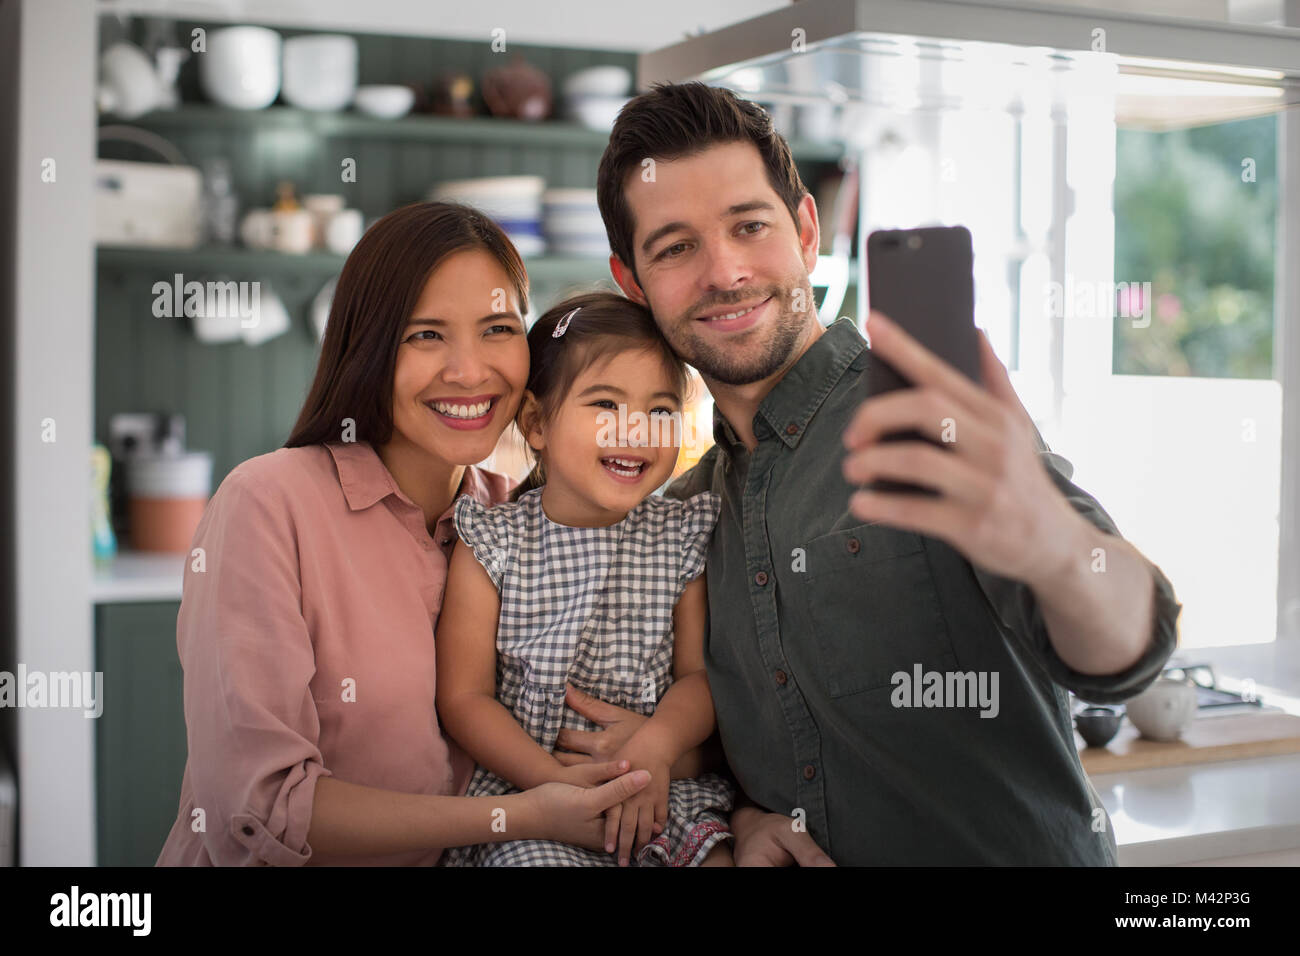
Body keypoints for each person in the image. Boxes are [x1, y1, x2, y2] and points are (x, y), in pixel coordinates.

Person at [593, 82, 1185, 865]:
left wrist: (1054, 541)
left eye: (750, 225)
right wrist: (742, 817)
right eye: (675, 248)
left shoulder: (931, 417)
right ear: (632, 282)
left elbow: (1129, 651)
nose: (725, 271)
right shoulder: (682, 514)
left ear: (806, 231)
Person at [156, 203, 653, 866]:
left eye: (497, 329)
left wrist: (660, 748)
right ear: (370, 346)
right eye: (426, 335)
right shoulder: (268, 504)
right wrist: (519, 816)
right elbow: (260, 808)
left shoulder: (523, 523)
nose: (469, 371)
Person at [436, 292, 735, 867]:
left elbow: (698, 679)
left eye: (661, 411)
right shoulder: (491, 544)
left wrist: (659, 745)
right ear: (536, 422)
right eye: (605, 403)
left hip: (658, 793)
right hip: (535, 801)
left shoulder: (679, 535)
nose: (637, 431)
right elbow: (464, 698)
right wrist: (552, 784)